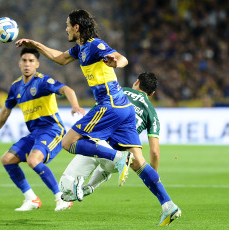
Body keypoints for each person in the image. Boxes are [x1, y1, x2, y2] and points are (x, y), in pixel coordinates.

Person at [16, 9, 140, 186]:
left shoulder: (95, 45)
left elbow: (123, 58)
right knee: (76, 142)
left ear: (76, 27)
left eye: (67, 26)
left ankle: (118, 157)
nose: (65, 29)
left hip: (109, 104)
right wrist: (34, 44)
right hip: (113, 105)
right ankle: (166, 203)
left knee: (68, 142)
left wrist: (116, 63)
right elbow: (60, 57)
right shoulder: (80, 49)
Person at [59, 72, 182, 226]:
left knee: (65, 186)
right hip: (121, 162)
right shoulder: (151, 112)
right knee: (114, 167)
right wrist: (153, 178)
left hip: (103, 148)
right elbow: (155, 152)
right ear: (152, 93)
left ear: (136, 82)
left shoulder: (120, 92)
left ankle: (78, 184)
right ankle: (168, 205)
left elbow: (98, 110)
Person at [0, 47, 85, 212]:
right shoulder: (15, 87)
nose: (27, 64)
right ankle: (31, 199)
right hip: (35, 133)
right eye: (25, 61)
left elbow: (66, 89)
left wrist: (75, 105)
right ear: (19, 63)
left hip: (52, 130)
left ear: (37, 64)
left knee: (34, 160)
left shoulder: (43, 81)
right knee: (7, 159)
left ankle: (61, 198)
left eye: (31, 61)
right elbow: (6, 110)